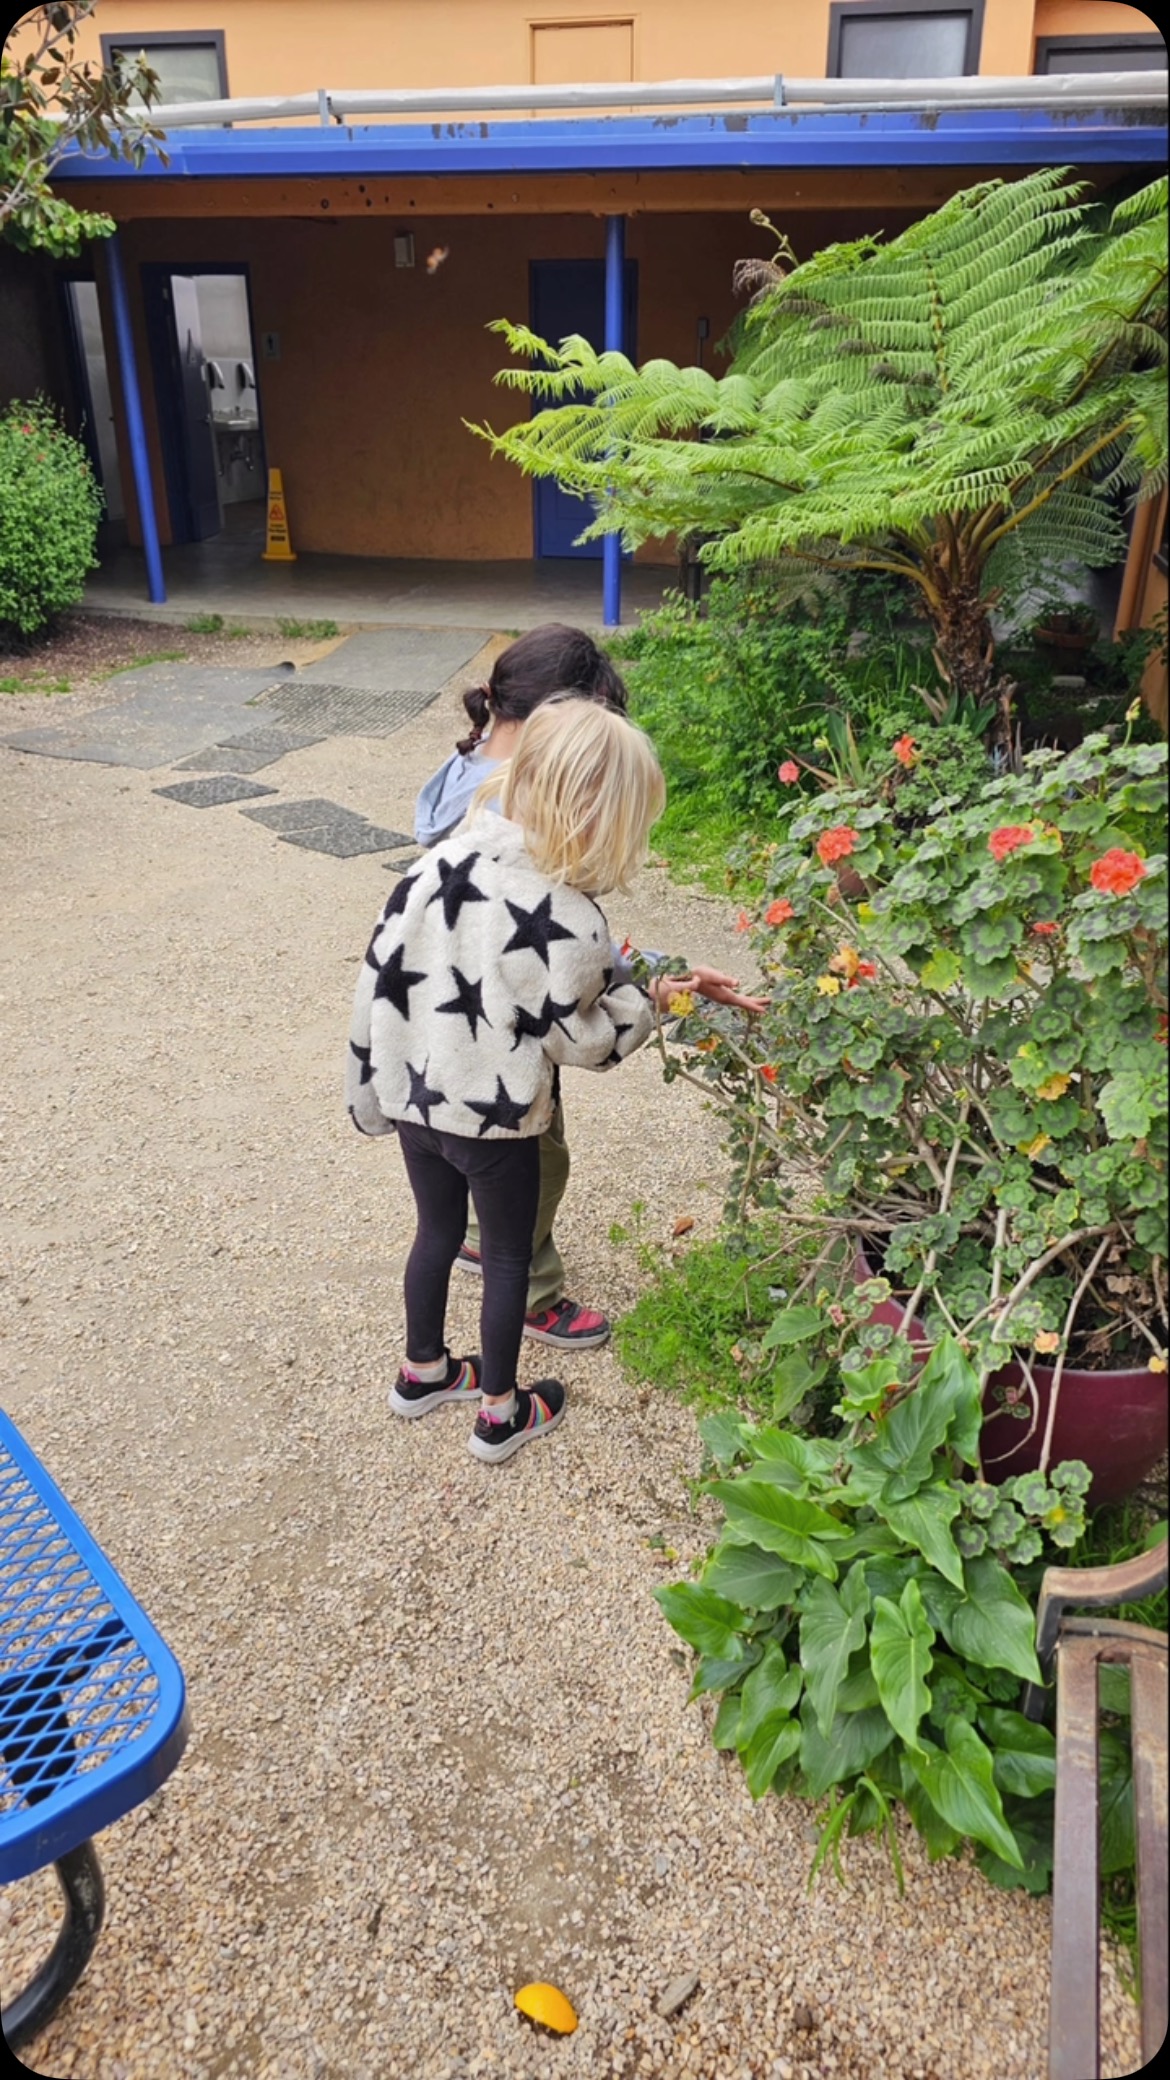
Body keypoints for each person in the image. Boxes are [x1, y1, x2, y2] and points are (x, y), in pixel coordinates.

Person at [413, 624, 766, 1353]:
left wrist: (656, 966)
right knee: (535, 1161)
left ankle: (461, 1290)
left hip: (440, 1037)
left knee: (455, 1191)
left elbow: (549, 947)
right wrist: (662, 994)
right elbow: (574, 1013)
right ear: (558, 727)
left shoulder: (470, 784)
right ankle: (531, 1303)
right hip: (504, 1049)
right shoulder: (514, 809)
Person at [346, 698, 665, 1463]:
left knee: (435, 1234)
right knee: (507, 1256)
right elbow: (583, 1040)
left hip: (417, 1100)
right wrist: (648, 1002)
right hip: (499, 1123)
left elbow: (375, 980)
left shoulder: (432, 865)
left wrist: (368, 1094)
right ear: (600, 817)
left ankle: (422, 1371)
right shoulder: (570, 914)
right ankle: (499, 1412)